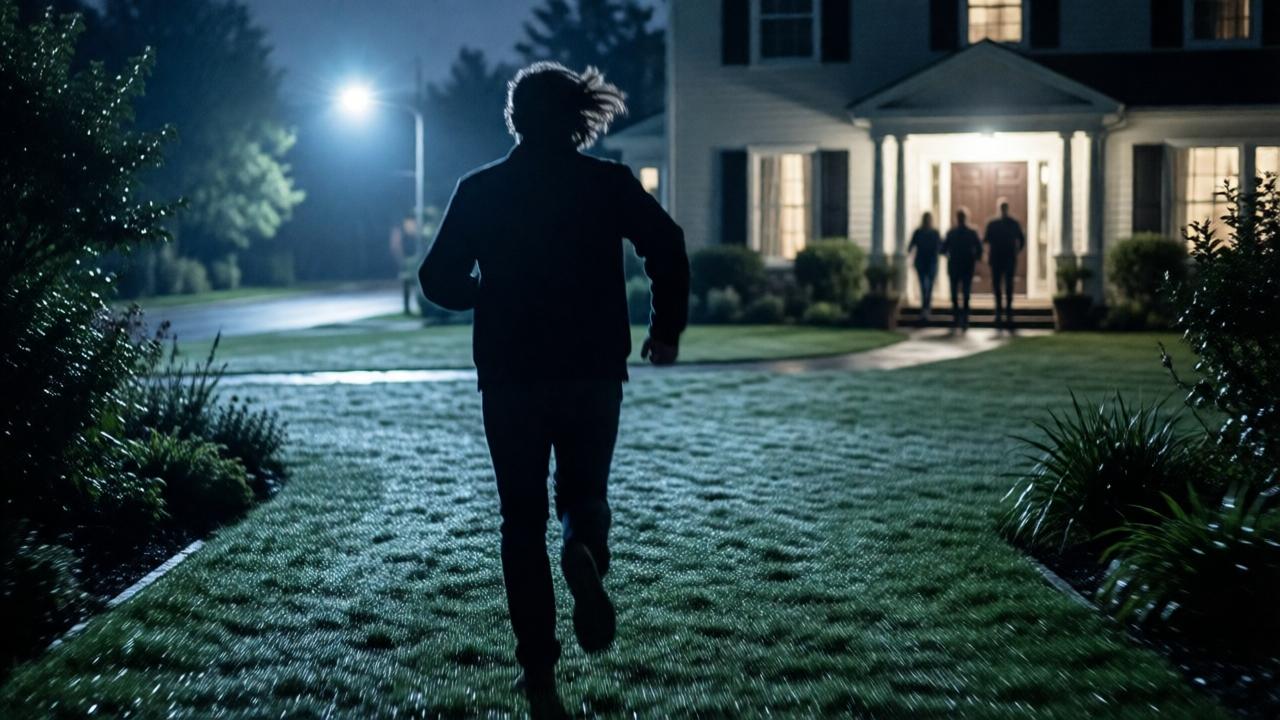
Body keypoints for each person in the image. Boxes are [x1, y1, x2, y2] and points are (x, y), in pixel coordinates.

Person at [418, 62, 689, 715]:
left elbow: (436, 277)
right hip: (594, 369)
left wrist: (484, 293)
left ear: (515, 117)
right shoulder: (607, 184)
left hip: (511, 374)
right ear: (578, 118)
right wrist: (666, 331)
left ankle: (538, 670)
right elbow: (668, 243)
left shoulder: (481, 188)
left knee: (519, 518)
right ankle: (580, 550)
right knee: (584, 494)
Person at [983, 198, 1026, 331]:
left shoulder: (1012, 223)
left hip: (1007, 258)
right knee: (997, 286)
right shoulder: (993, 224)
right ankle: (999, 311)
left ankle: (1007, 311)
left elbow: (1022, 240)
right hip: (998, 258)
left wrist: (1016, 251)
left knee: (1007, 285)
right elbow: (986, 240)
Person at [941, 207, 982, 333]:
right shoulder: (967, 232)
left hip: (959, 266)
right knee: (963, 293)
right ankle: (962, 318)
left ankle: (959, 317)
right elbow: (943, 249)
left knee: (959, 293)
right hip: (963, 266)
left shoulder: (954, 232)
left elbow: (943, 249)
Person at [907, 212, 942, 323]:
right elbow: (911, 246)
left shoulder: (933, 233)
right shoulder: (919, 232)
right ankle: (925, 309)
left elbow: (940, 246)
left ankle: (926, 309)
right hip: (923, 263)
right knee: (924, 286)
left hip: (931, 262)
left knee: (928, 286)